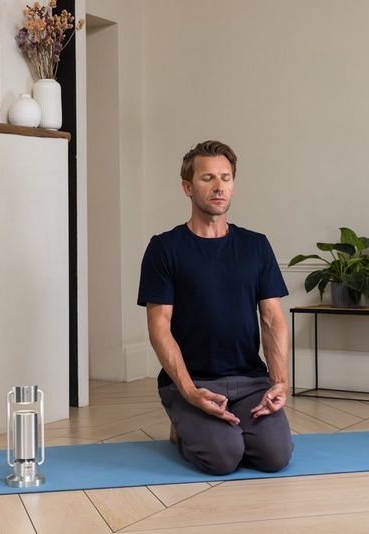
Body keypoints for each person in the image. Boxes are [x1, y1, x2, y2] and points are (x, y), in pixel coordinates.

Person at [137, 140, 293, 475]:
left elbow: (272, 319)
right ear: (188, 187)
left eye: (226, 178)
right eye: (207, 178)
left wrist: (280, 381)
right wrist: (189, 391)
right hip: (193, 382)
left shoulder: (256, 245)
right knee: (223, 459)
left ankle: (231, 431)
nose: (219, 186)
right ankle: (184, 428)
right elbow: (159, 327)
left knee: (275, 456)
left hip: (249, 380)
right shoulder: (164, 248)